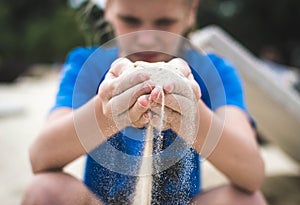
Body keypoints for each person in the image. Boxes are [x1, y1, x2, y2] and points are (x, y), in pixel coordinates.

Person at [21, 0, 268, 204]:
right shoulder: (87, 67)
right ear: (108, 9)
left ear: (191, 12)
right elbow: (40, 157)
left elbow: (252, 174)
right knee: (45, 190)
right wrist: (108, 109)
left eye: (164, 22)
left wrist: (189, 114)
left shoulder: (214, 71)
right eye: (130, 20)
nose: (147, 39)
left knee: (246, 200)